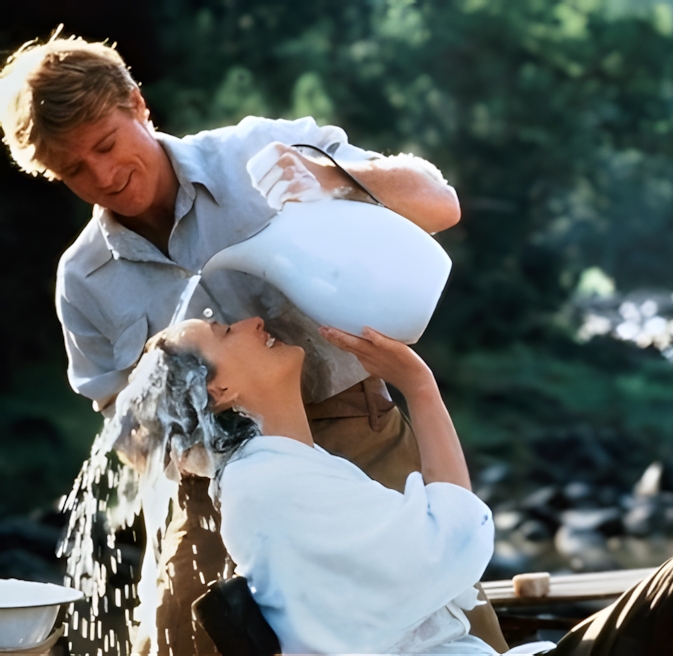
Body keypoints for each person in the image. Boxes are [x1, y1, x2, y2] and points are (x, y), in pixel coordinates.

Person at [0, 31, 508, 654]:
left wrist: (332, 179)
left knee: (446, 604)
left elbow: (439, 204)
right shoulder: (84, 279)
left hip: (354, 430)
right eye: (74, 169)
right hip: (212, 484)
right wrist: (207, 445)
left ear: (138, 105)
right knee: (178, 637)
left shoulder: (258, 154)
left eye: (106, 145)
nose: (103, 175)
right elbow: (123, 425)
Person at [117, 316, 673, 655]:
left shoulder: (285, 473)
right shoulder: (269, 488)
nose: (252, 320)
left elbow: (441, 544)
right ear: (221, 390)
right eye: (225, 332)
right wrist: (420, 388)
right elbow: (453, 541)